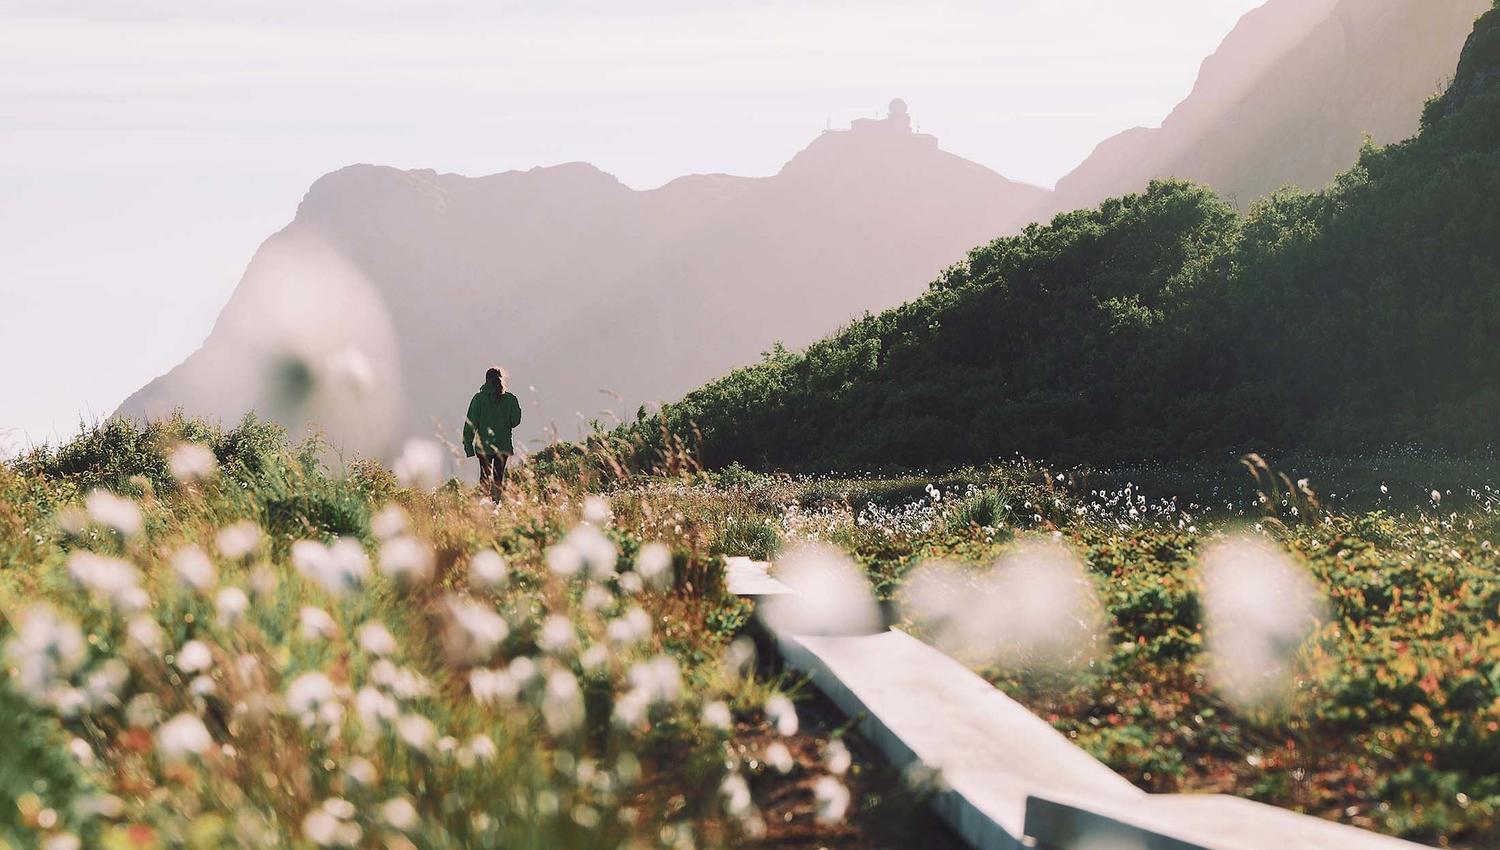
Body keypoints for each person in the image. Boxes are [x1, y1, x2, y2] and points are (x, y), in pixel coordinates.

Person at [463, 367, 523, 501]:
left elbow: (470, 423)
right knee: (498, 477)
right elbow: (515, 421)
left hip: (484, 446)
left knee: (484, 476)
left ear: (486, 380)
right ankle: (496, 504)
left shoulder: (478, 399)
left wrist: (468, 446)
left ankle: (483, 506)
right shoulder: (510, 399)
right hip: (503, 446)